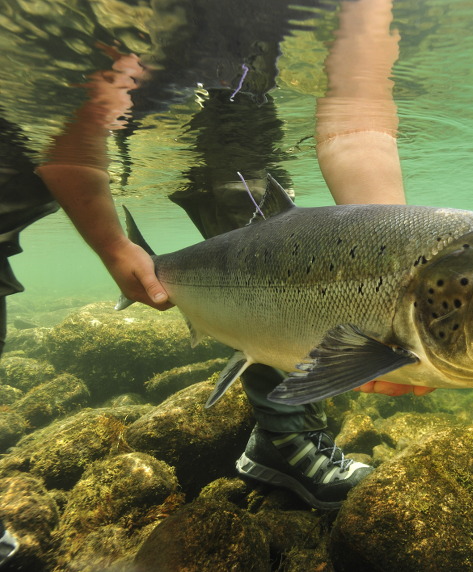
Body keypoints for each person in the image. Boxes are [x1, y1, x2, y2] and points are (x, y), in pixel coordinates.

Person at [35, 0, 429, 510]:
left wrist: (391, 275)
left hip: (241, 119)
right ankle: (285, 443)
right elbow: (75, 136)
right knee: (273, 278)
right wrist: (114, 248)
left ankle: (286, 438)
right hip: (212, 122)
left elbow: (356, 122)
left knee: (288, 272)